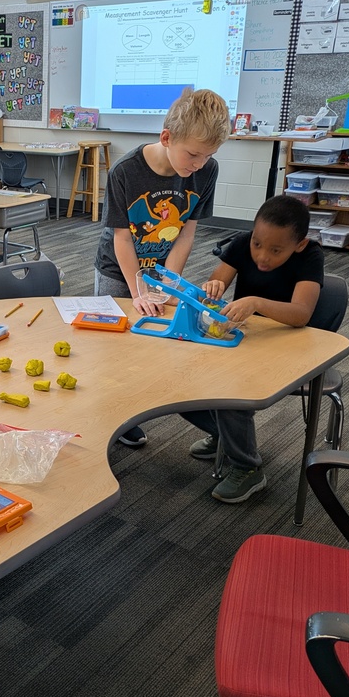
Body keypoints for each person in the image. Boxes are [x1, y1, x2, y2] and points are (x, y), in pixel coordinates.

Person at [94, 88, 231, 446]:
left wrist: (167, 283)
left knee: (157, 346)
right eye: (194, 154)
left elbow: (186, 233)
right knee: (116, 350)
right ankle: (116, 421)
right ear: (166, 137)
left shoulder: (206, 170)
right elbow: (121, 239)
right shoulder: (126, 171)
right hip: (117, 271)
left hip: (161, 267)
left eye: (208, 156)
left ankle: (137, 406)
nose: (199, 164)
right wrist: (140, 289)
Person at [184, 194, 324, 503]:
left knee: (232, 391)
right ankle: (225, 436)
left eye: (276, 250)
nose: (262, 256)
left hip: (288, 345)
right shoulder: (244, 242)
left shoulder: (310, 255)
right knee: (178, 377)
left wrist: (257, 303)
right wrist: (213, 288)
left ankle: (248, 468)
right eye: (257, 244)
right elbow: (215, 283)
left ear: (298, 245)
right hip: (245, 339)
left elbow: (301, 314)